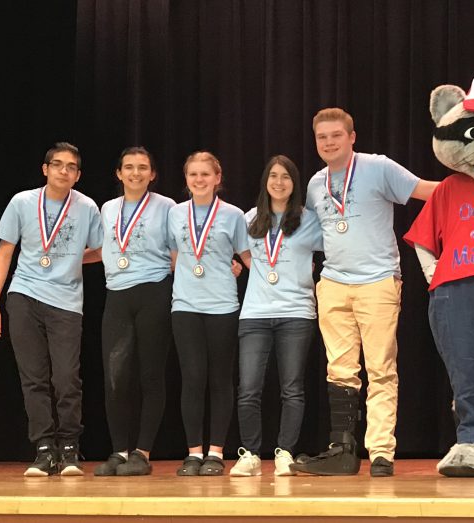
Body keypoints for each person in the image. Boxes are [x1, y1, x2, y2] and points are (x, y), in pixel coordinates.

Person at [291, 107, 437, 477]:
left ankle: (382, 452)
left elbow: (427, 191)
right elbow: (309, 235)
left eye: (336, 135)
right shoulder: (314, 184)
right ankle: (342, 449)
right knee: (339, 369)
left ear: (352, 137)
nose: (328, 142)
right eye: (322, 137)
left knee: (381, 368)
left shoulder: (378, 167)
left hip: (377, 282)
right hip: (334, 284)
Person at [0, 142, 103, 476]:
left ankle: (69, 447)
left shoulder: (87, 207)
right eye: (57, 164)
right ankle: (44, 448)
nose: (63, 171)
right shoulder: (22, 202)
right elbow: (6, 251)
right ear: (45, 168)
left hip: (66, 301)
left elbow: (103, 249)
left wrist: (74, 260)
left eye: (71, 167)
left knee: (66, 378)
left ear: (77, 175)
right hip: (24, 295)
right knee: (33, 379)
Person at [229, 155, 323, 477]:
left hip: (296, 313)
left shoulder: (309, 220)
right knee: (248, 388)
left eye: (286, 177)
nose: (279, 182)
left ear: (294, 183)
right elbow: (241, 251)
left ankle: (285, 452)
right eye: (273, 176)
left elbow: (335, 250)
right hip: (254, 313)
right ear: (265, 181)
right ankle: (250, 454)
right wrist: (249, 265)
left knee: (292, 388)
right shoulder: (250, 218)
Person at [93, 147, 176, 476]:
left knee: (151, 375)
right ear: (119, 173)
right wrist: (64, 259)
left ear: (152, 174)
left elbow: (178, 250)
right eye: (129, 167)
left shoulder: (167, 207)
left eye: (143, 168)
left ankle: (142, 452)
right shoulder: (108, 208)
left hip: (154, 291)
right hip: (117, 295)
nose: (136, 173)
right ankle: (119, 451)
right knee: (116, 378)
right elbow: (105, 250)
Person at [167, 151, 251, 476]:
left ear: (218, 178)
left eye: (206, 174)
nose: (199, 180)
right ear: (186, 179)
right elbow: (174, 257)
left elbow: (246, 256)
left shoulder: (233, 215)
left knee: (219, 379)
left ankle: (215, 452)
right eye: (193, 175)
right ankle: (192, 453)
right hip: (185, 306)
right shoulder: (175, 214)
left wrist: (247, 273)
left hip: (223, 306)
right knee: (192, 378)